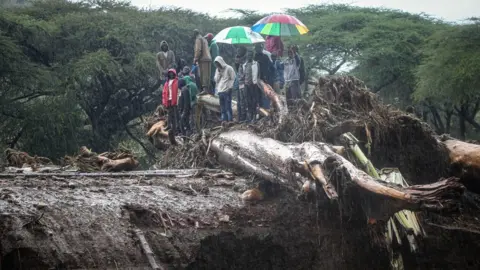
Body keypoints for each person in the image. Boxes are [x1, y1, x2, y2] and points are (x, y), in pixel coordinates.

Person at [214, 56, 236, 122]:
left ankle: (230, 121)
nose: (217, 65)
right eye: (216, 64)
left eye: (218, 63)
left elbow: (233, 78)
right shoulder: (217, 70)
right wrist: (218, 72)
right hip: (220, 91)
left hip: (227, 90)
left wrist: (229, 88)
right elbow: (216, 80)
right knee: (222, 108)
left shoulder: (229, 68)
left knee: (228, 107)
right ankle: (224, 121)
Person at [241, 50, 260, 122]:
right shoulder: (244, 65)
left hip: (254, 85)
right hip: (246, 85)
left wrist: (256, 82)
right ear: (246, 56)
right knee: (248, 101)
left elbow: (258, 75)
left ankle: (254, 117)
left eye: (251, 55)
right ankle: (250, 117)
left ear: (253, 56)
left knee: (254, 101)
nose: (249, 57)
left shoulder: (256, 64)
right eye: (248, 55)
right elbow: (244, 75)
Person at [254, 43, 274, 109]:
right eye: (256, 48)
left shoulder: (265, 56)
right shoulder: (254, 57)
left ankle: (267, 109)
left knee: (265, 94)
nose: (257, 49)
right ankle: (261, 110)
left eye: (259, 48)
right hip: (257, 79)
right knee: (258, 95)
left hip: (265, 79)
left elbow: (271, 67)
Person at [193, 29, 212, 95]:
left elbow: (198, 50)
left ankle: (205, 90)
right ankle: (208, 89)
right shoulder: (204, 39)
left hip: (203, 59)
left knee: (203, 74)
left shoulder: (198, 39)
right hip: (208, 58)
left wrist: (195, 58)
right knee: (207, 74)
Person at [162, 69, 179, 134]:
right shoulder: (166, 83)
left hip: (175, 100)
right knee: (169, 114)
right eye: (170, 73)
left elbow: (179, 91)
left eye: (172, 73)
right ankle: (169, 126)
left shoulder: (177, 81)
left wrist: (178, 100)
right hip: (168, 100)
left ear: (174, 74)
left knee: (175, 115)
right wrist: (164, 101)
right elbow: (164, 92)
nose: (171, 74)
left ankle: (176, 129)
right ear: (168, 74)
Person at [235, 46, 248, 122]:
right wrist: (237, 61)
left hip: (244, 83)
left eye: (239, 50)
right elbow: (237, 70)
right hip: (238, 82)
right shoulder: (238, 59)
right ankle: (239, 117)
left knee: (244, 101)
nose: (238, 52)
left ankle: (244, 117)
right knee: (239, 101)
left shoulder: (245, 61)